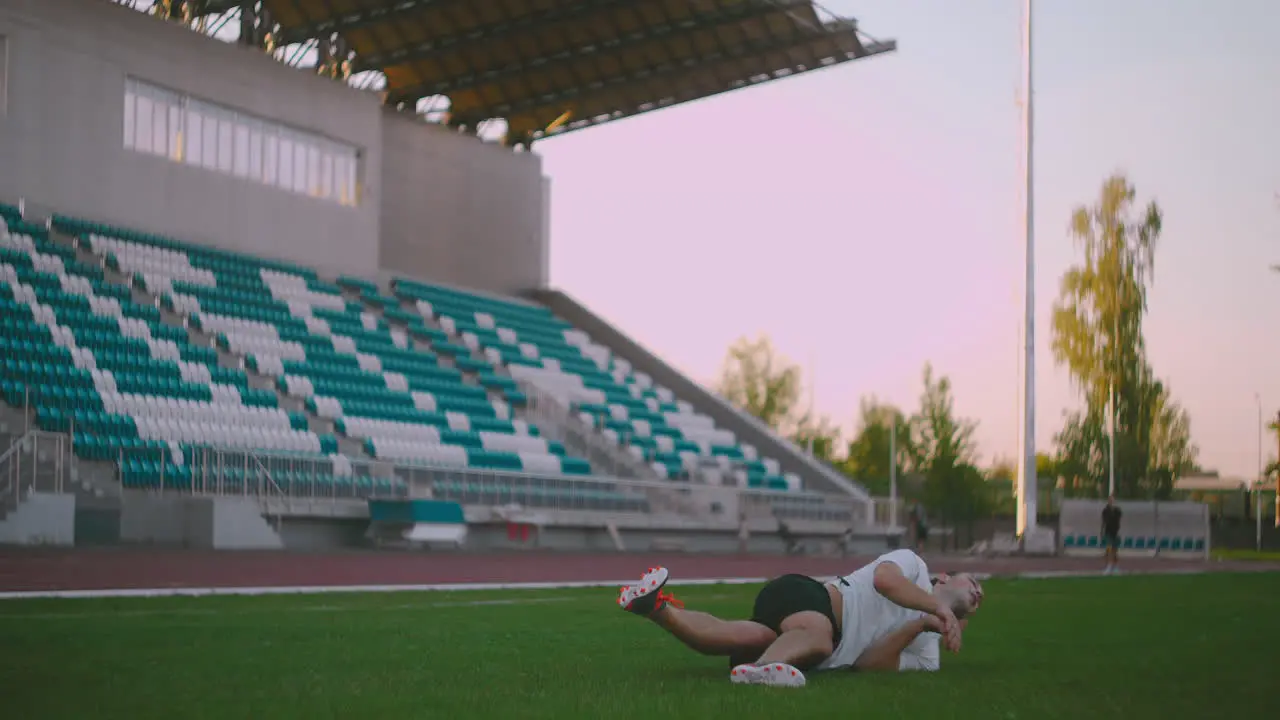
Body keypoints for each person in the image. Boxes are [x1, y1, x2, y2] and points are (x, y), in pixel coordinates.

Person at [616, 549, 983, 688]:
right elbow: (883, 580)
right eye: (975, 581)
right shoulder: (914, 565)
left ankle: (655, 607)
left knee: (742, 635)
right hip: (809, 597)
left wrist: (919, 625)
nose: (979, 591)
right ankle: (765, 670)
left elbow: (868, 665)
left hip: (804, 639)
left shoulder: (929, 654)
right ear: (946, 579)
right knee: (819, 637)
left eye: (980, 599)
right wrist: (936, 608)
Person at [1101, 495, 1123, 574]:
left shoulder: (1117, 511)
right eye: (1110, 500)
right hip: (1108, 533)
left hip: (1115, 533)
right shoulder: (1105, 511)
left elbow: (1118, 519)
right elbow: (1104, 522)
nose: (1112, 502)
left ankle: (1115, 566)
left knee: (1115, 550)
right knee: (1109, 549)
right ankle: (1109, 566)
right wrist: (1102, 532)